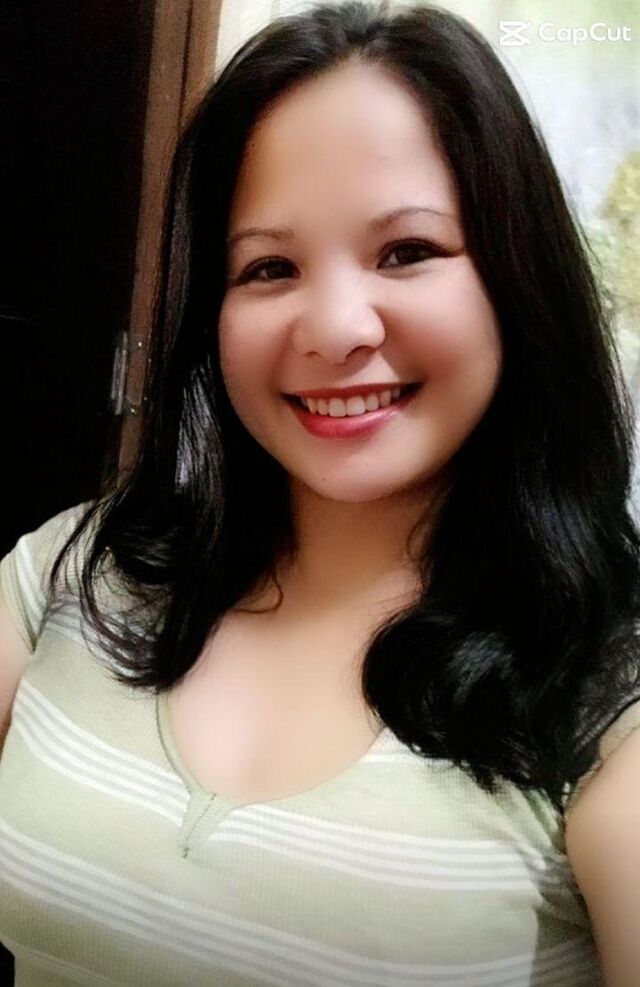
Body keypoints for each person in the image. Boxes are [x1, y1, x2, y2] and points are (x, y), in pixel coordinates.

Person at [1, 1, 639, 983]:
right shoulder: (78, 570)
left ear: (520, 279)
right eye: (269, 267)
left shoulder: (606, 691)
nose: (337, 327)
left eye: (407, 251)